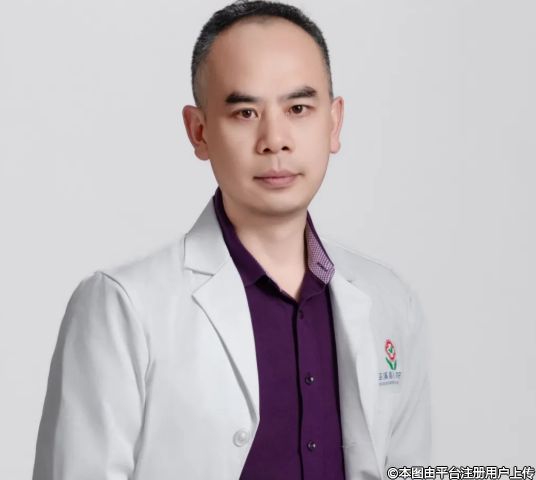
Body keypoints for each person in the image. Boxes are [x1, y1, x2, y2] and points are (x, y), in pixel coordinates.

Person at [32, 1, 432, 479]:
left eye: (298, 108)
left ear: (333, 122)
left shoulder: (390, 300)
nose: (275, 139)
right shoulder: (122, 307)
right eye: (245, 112)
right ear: (199, 132)